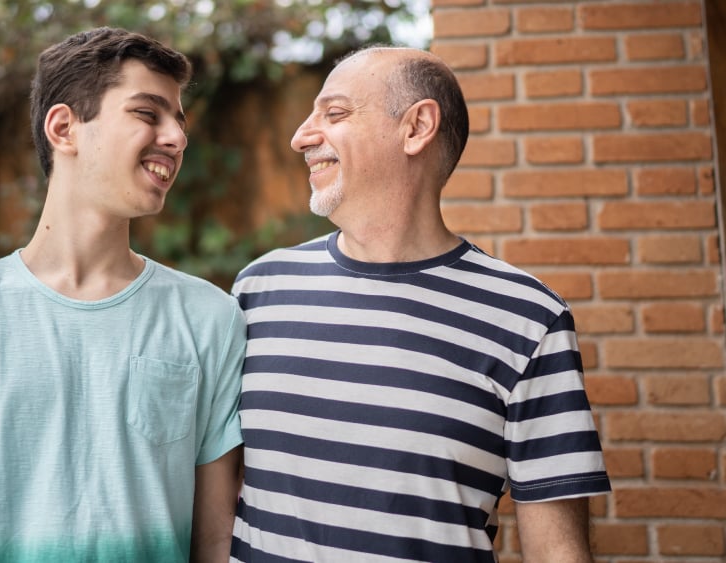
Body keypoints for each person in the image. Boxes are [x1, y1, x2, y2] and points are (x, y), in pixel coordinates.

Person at [0, 27, 245, 562]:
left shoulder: (212, 318)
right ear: (64, 128)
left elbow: (216, 545)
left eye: (178, 119)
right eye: (148, 113)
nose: (176, 136)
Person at [229, 46, 611, 563]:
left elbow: (557, 553)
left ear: (416, 128)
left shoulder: (529, 319)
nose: (300, 136)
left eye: (334, 113)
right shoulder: (258, 291)